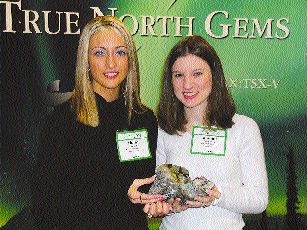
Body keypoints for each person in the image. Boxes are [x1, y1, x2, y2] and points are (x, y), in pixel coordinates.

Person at [31, 16, 163, 229]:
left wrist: (155, 202)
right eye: (100, 53)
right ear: (86, 60)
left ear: (130, 59)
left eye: (120, 52)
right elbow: (44, 202)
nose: (111, 63)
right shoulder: (63, 120)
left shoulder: (144, 119)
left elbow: (145, 185)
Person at [144, 35, 268, 229]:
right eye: (179, 75)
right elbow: (160, 195)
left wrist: (217, 195)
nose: (187, 85)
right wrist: (168, 205)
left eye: (197, 74)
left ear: (214, 75)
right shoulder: (163, 129)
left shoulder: (244, 128)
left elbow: (259, 199)